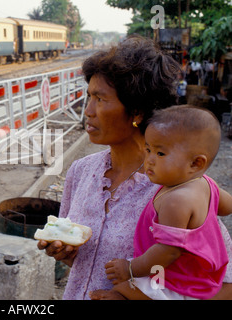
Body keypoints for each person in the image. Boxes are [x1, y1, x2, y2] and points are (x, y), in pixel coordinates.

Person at [37, 35, 232, 300]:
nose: (88, 111)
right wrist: (66, 252)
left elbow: (224, 284)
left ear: (137, 111)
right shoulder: (81, 171)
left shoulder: (179, 189)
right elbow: (85, 263)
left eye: (100, 99)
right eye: (88, 97)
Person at [100, 105, 232, 300]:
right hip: (201, 278)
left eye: (160, 154)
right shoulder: (205, 184)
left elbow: (167, 253)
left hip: (176, 284)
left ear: (196, 163)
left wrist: (129, 268)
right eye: (148, 149)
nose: (150, 160)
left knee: (123, 290)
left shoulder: (177, 201)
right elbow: (227, 206)